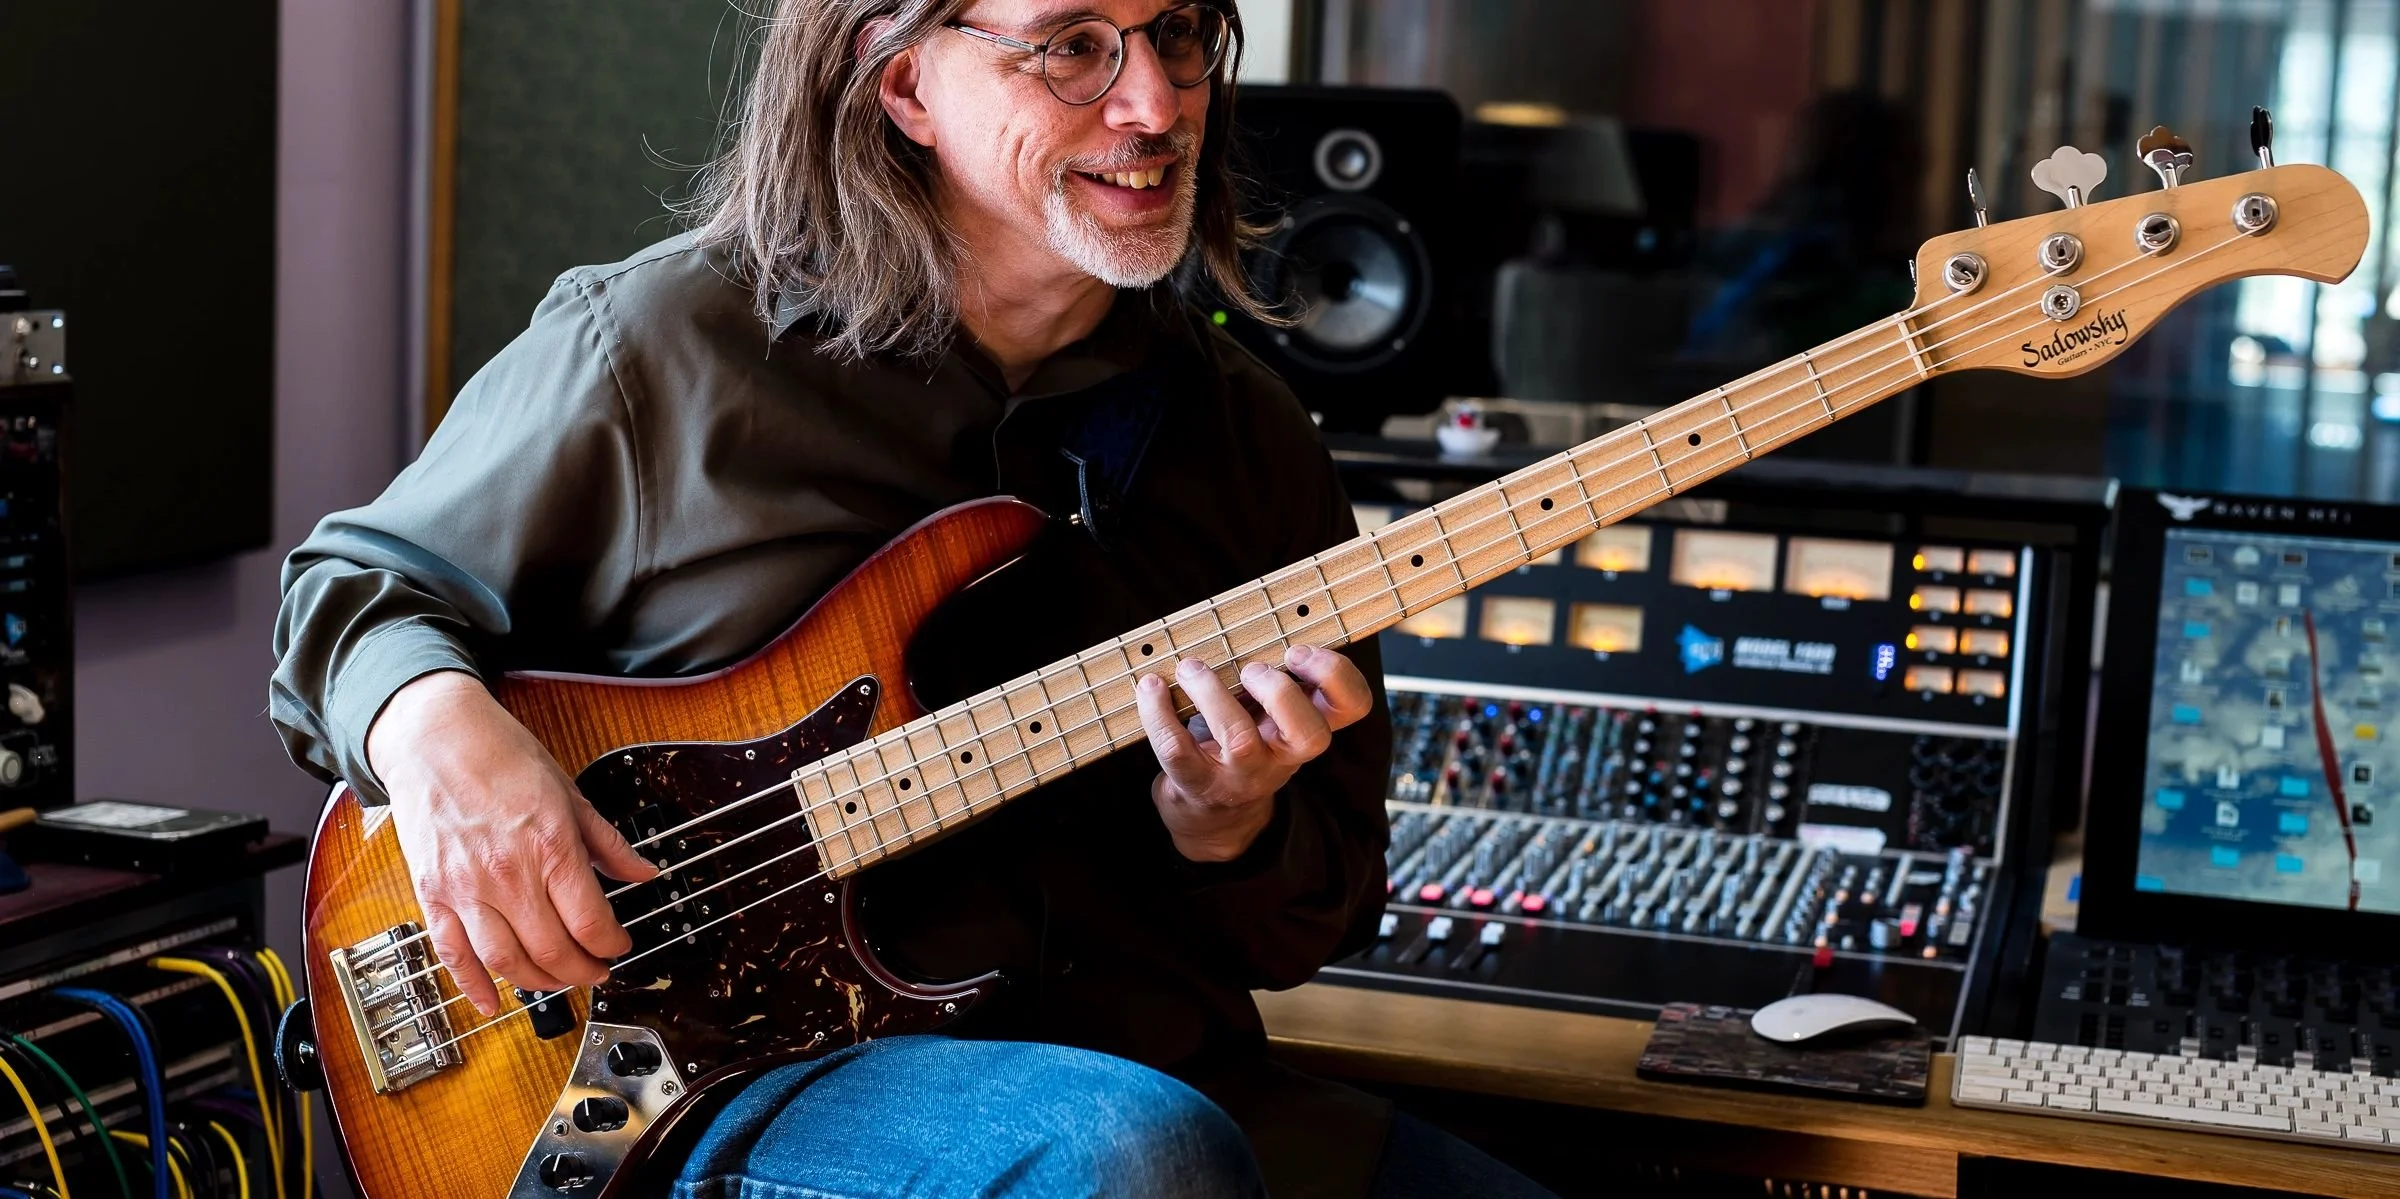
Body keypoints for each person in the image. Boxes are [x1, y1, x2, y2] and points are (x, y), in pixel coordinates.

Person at [271, 1, 1557, 1195]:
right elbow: (353, 591)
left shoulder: (1252, 442)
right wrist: (446, 744)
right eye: (1070, 46)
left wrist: (1227, 824)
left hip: (1170, 1076)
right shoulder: (664, 345)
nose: (1156, 105)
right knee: (1131, 1153)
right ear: (906, 85)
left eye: (1176, 35)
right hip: (730, 1082)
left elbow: (1318, 917)